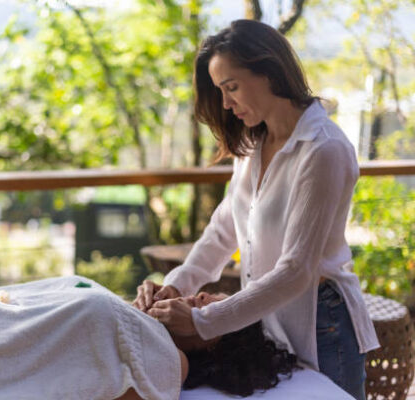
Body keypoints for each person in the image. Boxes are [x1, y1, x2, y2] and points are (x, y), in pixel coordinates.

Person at [133, 19, 379, 400]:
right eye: (220, 91)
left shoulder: (323, 149)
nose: (227, 104)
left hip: (322, 320)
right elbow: (223, 231)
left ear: (269, 71)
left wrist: (202, 320)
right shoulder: (252, 145)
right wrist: (174, 288)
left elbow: (297, 270)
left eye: (231, 87)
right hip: (268, 312)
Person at [0, 275, 298, 400]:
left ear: (216, 338)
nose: (195, 298)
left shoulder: (175, 367)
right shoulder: (147, 326)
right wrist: (138, 312)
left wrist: (140, 325)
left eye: (207, 305)